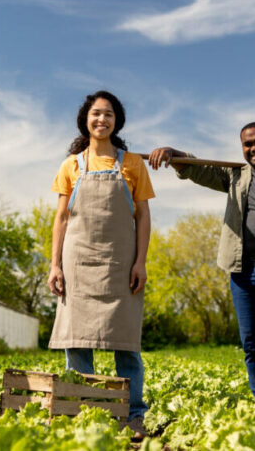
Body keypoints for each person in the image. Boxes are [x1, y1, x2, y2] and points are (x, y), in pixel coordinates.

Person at [148, 122, 255, 405]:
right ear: (242, 148)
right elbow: (198, 168)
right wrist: (172, 152)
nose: (254, 148)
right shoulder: (235, 177)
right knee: (253, 343)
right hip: (242, 271)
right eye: (247, 144)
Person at [46, 90, 153, 438]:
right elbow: (62, 217)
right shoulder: (71, 165)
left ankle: (132, 413)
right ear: (85, 119)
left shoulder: (132, 164)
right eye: (96, 113)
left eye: (108, 114)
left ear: (116, 121)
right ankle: (81, 411)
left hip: (121, 264)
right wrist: (55, 265)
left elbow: (143, 216)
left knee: (125, 341)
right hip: (77, 262)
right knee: (76, 341)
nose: (101, 119)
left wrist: (140, 262)